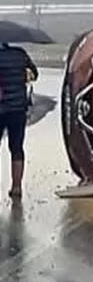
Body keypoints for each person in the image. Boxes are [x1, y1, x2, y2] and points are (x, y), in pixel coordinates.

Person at [0, 42, 38, 198]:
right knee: (16, 148)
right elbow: (34, 74)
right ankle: (16, 187)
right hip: (18, 109)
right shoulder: (20, 54)